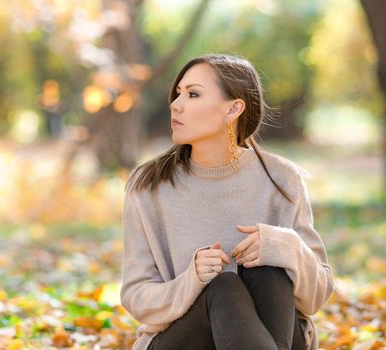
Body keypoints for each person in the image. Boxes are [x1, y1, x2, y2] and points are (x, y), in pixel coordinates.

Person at [119, 53, 334, 350]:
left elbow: (317, 296)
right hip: (185, 339)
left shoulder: (282, 179)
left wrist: (288, 247)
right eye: (178, 94)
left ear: (233, 109)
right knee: (223, 285)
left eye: (193, 94)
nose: (176, 105)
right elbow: (136, 297)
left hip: (278, 334)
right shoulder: (149, 186)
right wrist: (191, 280)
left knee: (268, 263)